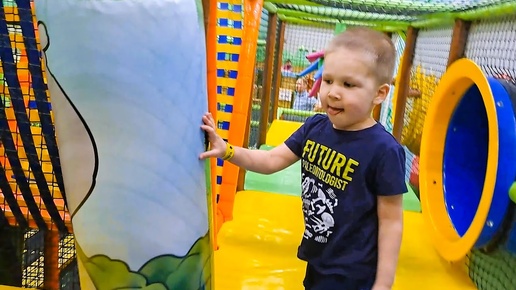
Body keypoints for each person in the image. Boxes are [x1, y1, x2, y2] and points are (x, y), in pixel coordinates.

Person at [200, 26, 406, 290]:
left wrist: (384, 283)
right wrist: (226, 150)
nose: (333, 92)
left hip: (354, 273)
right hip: (318, 260)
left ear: (379, 93)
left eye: (348, 84)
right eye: (328, 80)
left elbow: (391, 221)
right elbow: (271, 160)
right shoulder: (315, 128)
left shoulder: (384, 150)